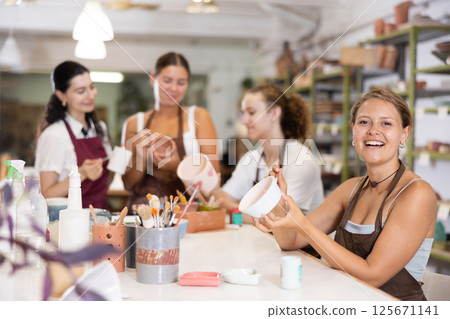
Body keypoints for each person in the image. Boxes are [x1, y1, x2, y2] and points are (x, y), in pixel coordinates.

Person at [255, 87, 437, 301]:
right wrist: (279, 198)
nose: (373, 131)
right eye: (364, 122)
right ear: (353, 131)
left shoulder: (416, 194)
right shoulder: (351, 190)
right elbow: (290, 241)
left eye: (386, 123)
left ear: (404, 133)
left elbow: (372, 276)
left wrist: (302, 224)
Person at [212, 83, 324, 224]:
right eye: (243, 113)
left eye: (251, 113)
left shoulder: (301, 160)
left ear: (274, 114)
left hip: (302, 246)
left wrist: (230, 208)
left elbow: (279, 221)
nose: (244, 121)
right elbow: (223, 198)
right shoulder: (252, 159)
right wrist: (209, 188)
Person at [121, 52, 219, 208]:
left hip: (186, 211)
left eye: (181, 83)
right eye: (167, 81)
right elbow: (127, 185)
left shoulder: (199, 117)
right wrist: (140, 158)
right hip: (142, 211)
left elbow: (212, 182)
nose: (173, 88)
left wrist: (176, 165)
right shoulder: (134, 123)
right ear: (153, 79)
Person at [35, 61, 112, 209]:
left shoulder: (99, 128)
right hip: (70, 223)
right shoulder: (54, 135)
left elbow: (106, 180)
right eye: (81, 91)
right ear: (61, 95)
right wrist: (81, 174)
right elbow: (46, 194)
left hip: (101, 217)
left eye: (92, 87)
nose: (91, 95)